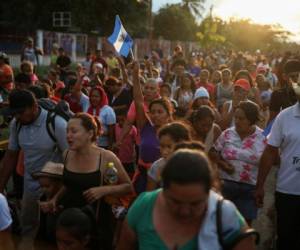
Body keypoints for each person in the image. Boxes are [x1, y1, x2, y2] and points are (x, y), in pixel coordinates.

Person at [117, 150, 257, 250]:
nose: (184, 211)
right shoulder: (144, 207)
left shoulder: (225, 216)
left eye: (196, 203)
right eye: (175, 202)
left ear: (210, 192)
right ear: (163, 188)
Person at [0, 89, 68, 240]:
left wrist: (58, 195)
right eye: (14, 113)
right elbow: (11, 156)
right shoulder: (16, 124)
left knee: (53, 231)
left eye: (20, 112)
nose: (17, 116)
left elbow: (70, 159)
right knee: (28, 229)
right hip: (30, 185)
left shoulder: (56, 124)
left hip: (55, 188)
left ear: (34, 106)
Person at [255, 64, 300, 249]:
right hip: (288, 192)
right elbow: (270, 152)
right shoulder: (285, 117)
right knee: (286, 240)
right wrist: (260, 186)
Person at [210, 101, 266, 225]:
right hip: (226, 184)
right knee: (222, 224)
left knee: (244, 226)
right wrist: (223, 164)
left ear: (251, 120)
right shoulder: (227, 133)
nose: (237, 121)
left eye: (242, 118)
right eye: (236, 117)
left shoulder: (263, 137)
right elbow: (213, 152)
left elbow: (270, 162)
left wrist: (260, 187)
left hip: (249, 188)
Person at [132, 61, 173, 194]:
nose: (155, 115)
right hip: (143, 179)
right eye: (153, 112)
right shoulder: (145, 126)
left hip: (165, 181)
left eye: (160, 112)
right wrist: (135, 74)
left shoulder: (174, 133)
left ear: (168, 114)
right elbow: (138, 101)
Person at [147, 121, 192, 191]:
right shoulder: (157, 166)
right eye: (162, 146)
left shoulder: (193, 166)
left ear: (182, 145)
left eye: (169, 146)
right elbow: (149, 195)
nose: (164, 152)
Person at [114, 108, 137, 179]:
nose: (120, 122)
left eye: (123, 120)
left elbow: (135, 142)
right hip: (118, 157)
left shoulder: (132, 129)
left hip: (129, 157)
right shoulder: (115, 127)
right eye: (118, 120)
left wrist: (134, 153)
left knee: (130, 175)